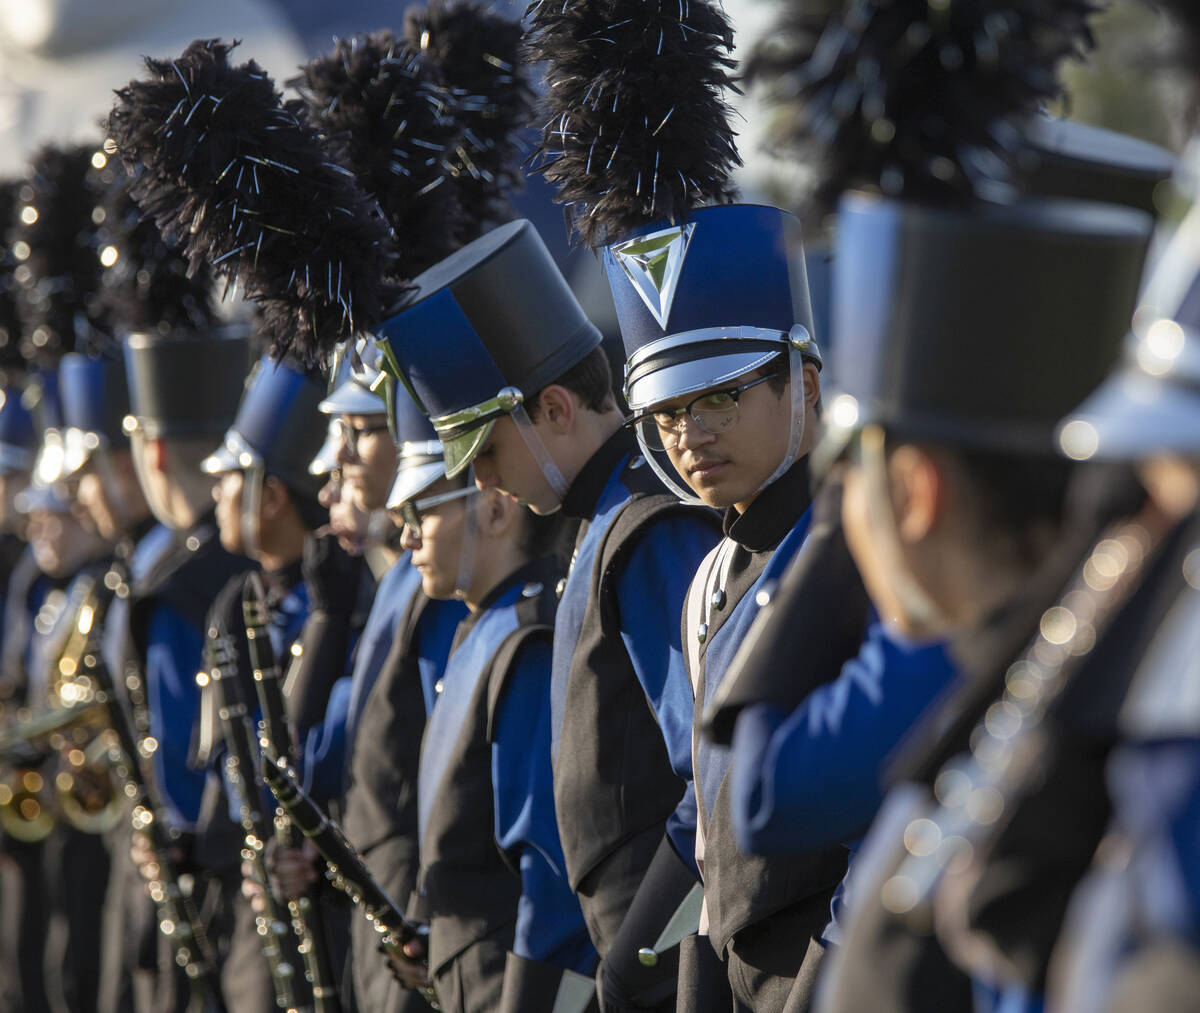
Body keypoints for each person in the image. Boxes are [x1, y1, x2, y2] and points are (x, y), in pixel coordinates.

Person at [375, 218, 722, 1011]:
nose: (489, 485)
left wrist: (639, 956)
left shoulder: (646, 526)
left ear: (555, 407)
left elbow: (709, 776)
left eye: (488, 452)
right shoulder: (603, 523)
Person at [395, 463, 596, 1013]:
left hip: (505, 980)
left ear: (497, 508)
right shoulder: (480, 625)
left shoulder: (525, 641)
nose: (405, 534)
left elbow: (547, 870)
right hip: (469, 973)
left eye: (422, 511)